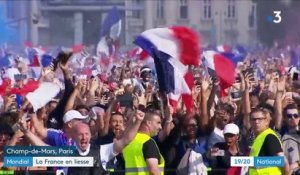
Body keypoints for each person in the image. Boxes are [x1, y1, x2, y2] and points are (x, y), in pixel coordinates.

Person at [18, 110, 145, 175]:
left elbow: (126, 140)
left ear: (90, 136)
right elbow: (42, 147)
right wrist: (26, 131)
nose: (84, 137)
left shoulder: (102, 151)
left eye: (86, 134)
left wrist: (138, 121)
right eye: (80, 135)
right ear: (73, 137)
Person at [249, 107, 290, 175]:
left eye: (260, 119)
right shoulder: (259, 138)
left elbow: (284, 162)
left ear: (266, 121)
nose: (256, 122)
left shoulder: (269, 137)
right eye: (253, 119)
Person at [282, 104, 300, 174]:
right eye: (289, 116)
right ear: (285, 118)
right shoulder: (281, 134)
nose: (293, 118)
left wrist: (298, 164)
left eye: (296, 115)